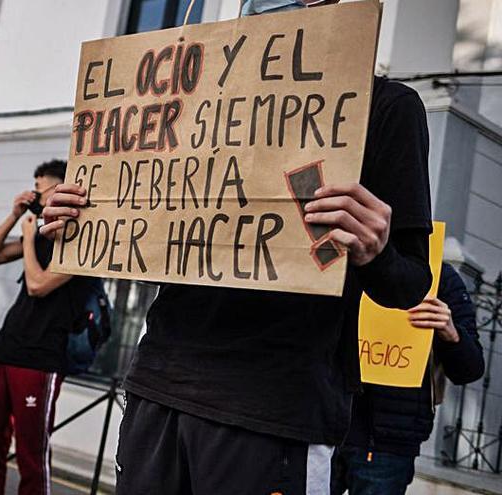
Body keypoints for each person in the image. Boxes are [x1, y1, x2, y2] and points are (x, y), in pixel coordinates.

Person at [40, 1, 435, 492]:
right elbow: (154, 223)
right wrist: (81, 214)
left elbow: (412, 284)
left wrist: (377, 254)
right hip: (158, 389)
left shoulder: (388, 106)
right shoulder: (198, 99)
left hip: (274, 413)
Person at [0, 159, 90, 495]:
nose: (35, 195)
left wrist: (27, 238)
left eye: (42, 189)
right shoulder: (37, 233)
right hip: (5, 350)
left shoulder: (81, 246)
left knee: (32, 457)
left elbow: (37, 284)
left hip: (40, 360)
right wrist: (15, 216)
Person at [331, 263, 485, 494]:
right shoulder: (333, 259)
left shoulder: (438, 275)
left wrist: (451, 333)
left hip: (387, 442)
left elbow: (470, 369)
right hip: (319, 426)